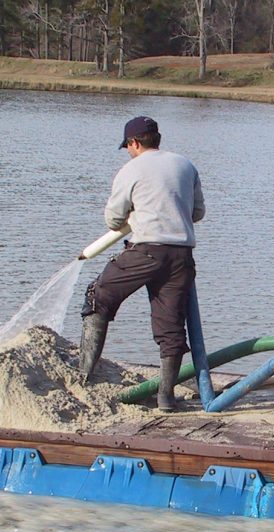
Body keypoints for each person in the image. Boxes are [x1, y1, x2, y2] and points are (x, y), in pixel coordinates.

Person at [79, 116, 205, 412]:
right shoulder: (186, 165)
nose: (128, 151)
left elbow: (113, 219)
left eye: (128, 146)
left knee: (98, 295)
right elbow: (197, 212)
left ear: (135, 143)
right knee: (171, 326)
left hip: (145, 251)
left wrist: (135, 213)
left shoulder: (131, 169)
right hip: (181, 257)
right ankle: (165, 398)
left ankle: (84, 374)